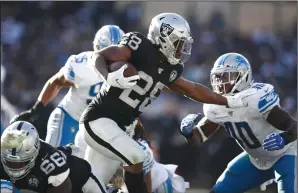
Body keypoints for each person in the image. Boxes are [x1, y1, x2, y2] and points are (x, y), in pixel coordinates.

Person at [79, 12, 248, 193]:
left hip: (117, 127)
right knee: (137, 156)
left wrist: (228, 101)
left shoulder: (171, 68)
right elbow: (98, 56)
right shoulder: (138, 45)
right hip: (98, 120)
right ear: (163, 37)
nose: (181, 48)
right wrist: (108, 77)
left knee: (91, 187)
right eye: (178, 43)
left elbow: (191, 89)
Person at [179, 53, 297, 193]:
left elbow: (294, 127)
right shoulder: (216, 107)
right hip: (256, 160)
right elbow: (199, 137)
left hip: (286, 154)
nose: (220, 82)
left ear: (243, 76)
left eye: (226, 77)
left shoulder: (256, 98)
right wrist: (188, 132)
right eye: (217, 77)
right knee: (219, 190)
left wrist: (285, 138)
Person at [10, 25, 124, 147]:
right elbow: (56, 82)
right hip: (69, 120)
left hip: (96, 129)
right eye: (109, 55)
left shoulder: (128, 72)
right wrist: (36, 109)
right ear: (98, 50)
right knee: (55, 162)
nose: (113, 60)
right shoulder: (83, 65)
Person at [1, 121, 107, 193]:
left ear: (34, 153)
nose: (13, 168)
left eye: (20, 163)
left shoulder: (52, 165)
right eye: (9, 162)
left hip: (82, 183)